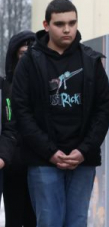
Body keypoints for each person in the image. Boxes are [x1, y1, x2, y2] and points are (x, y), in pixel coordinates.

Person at [11, 0, 109, 227]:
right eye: (59, 24)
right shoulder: (29, 62)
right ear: (46, 25)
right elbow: (21, 110)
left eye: (72, 22)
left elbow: (104, 109)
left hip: (82, 160)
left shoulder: (90, 59)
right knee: (48, 222)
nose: (67, 29)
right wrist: (49, 151)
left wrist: (83, 150)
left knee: (77, 222)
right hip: (43, 160)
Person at [0, 30, 37, 227]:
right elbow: (8, 125)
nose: (27, 58)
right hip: (12, 164)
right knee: (14, 218)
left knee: (36, 219)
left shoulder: (44, 87)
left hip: (40, 162)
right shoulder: (6, 88)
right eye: (23, 53)